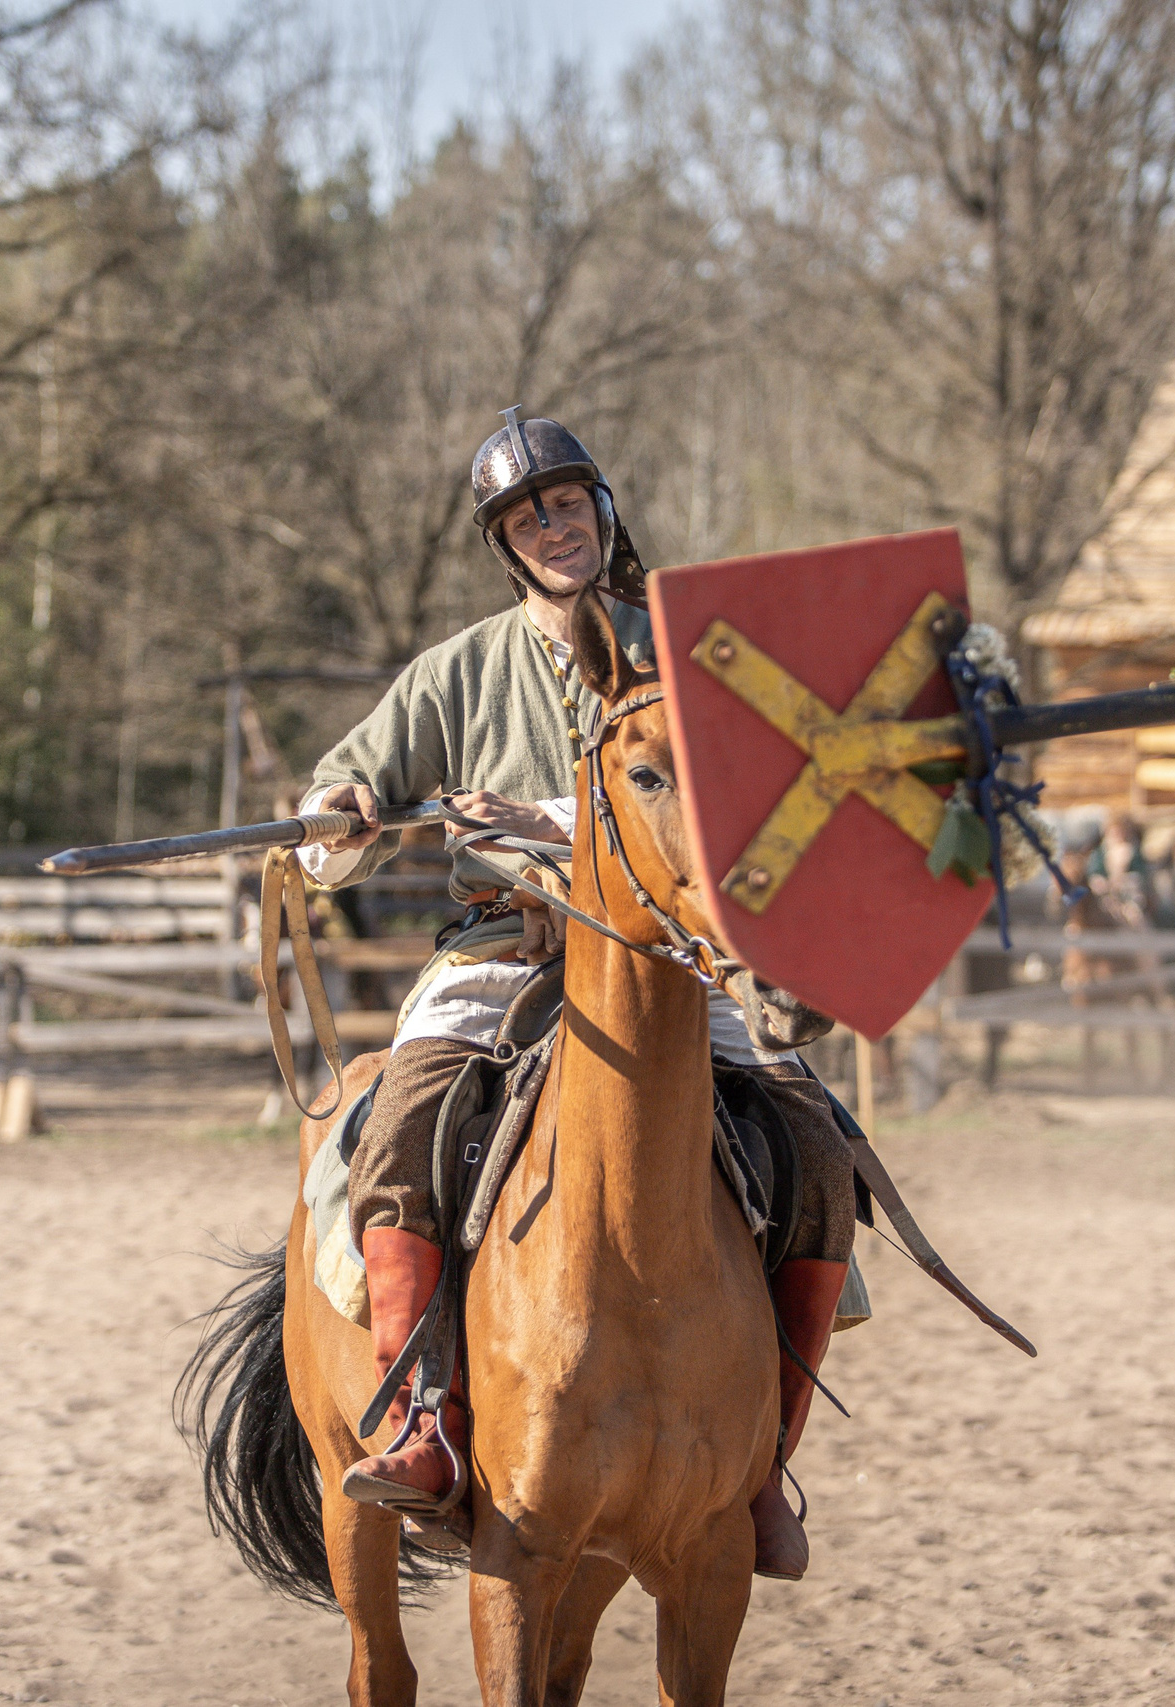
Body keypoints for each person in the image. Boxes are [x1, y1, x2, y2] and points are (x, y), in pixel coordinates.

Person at [296, 412, 862, 1581]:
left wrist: (544, 819)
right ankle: (420, 1426)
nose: (550, 529)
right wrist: (338, 814)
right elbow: (338, 800)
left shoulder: (693, 659)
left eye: (564, 505)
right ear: (503, 546)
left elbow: (738, 801)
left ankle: (758, 1466)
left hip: (672, 957)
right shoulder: (454, 672)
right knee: (398, 1128)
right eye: (524, 519)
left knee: (812, 1144)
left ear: (602, 511)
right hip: (505, 949)